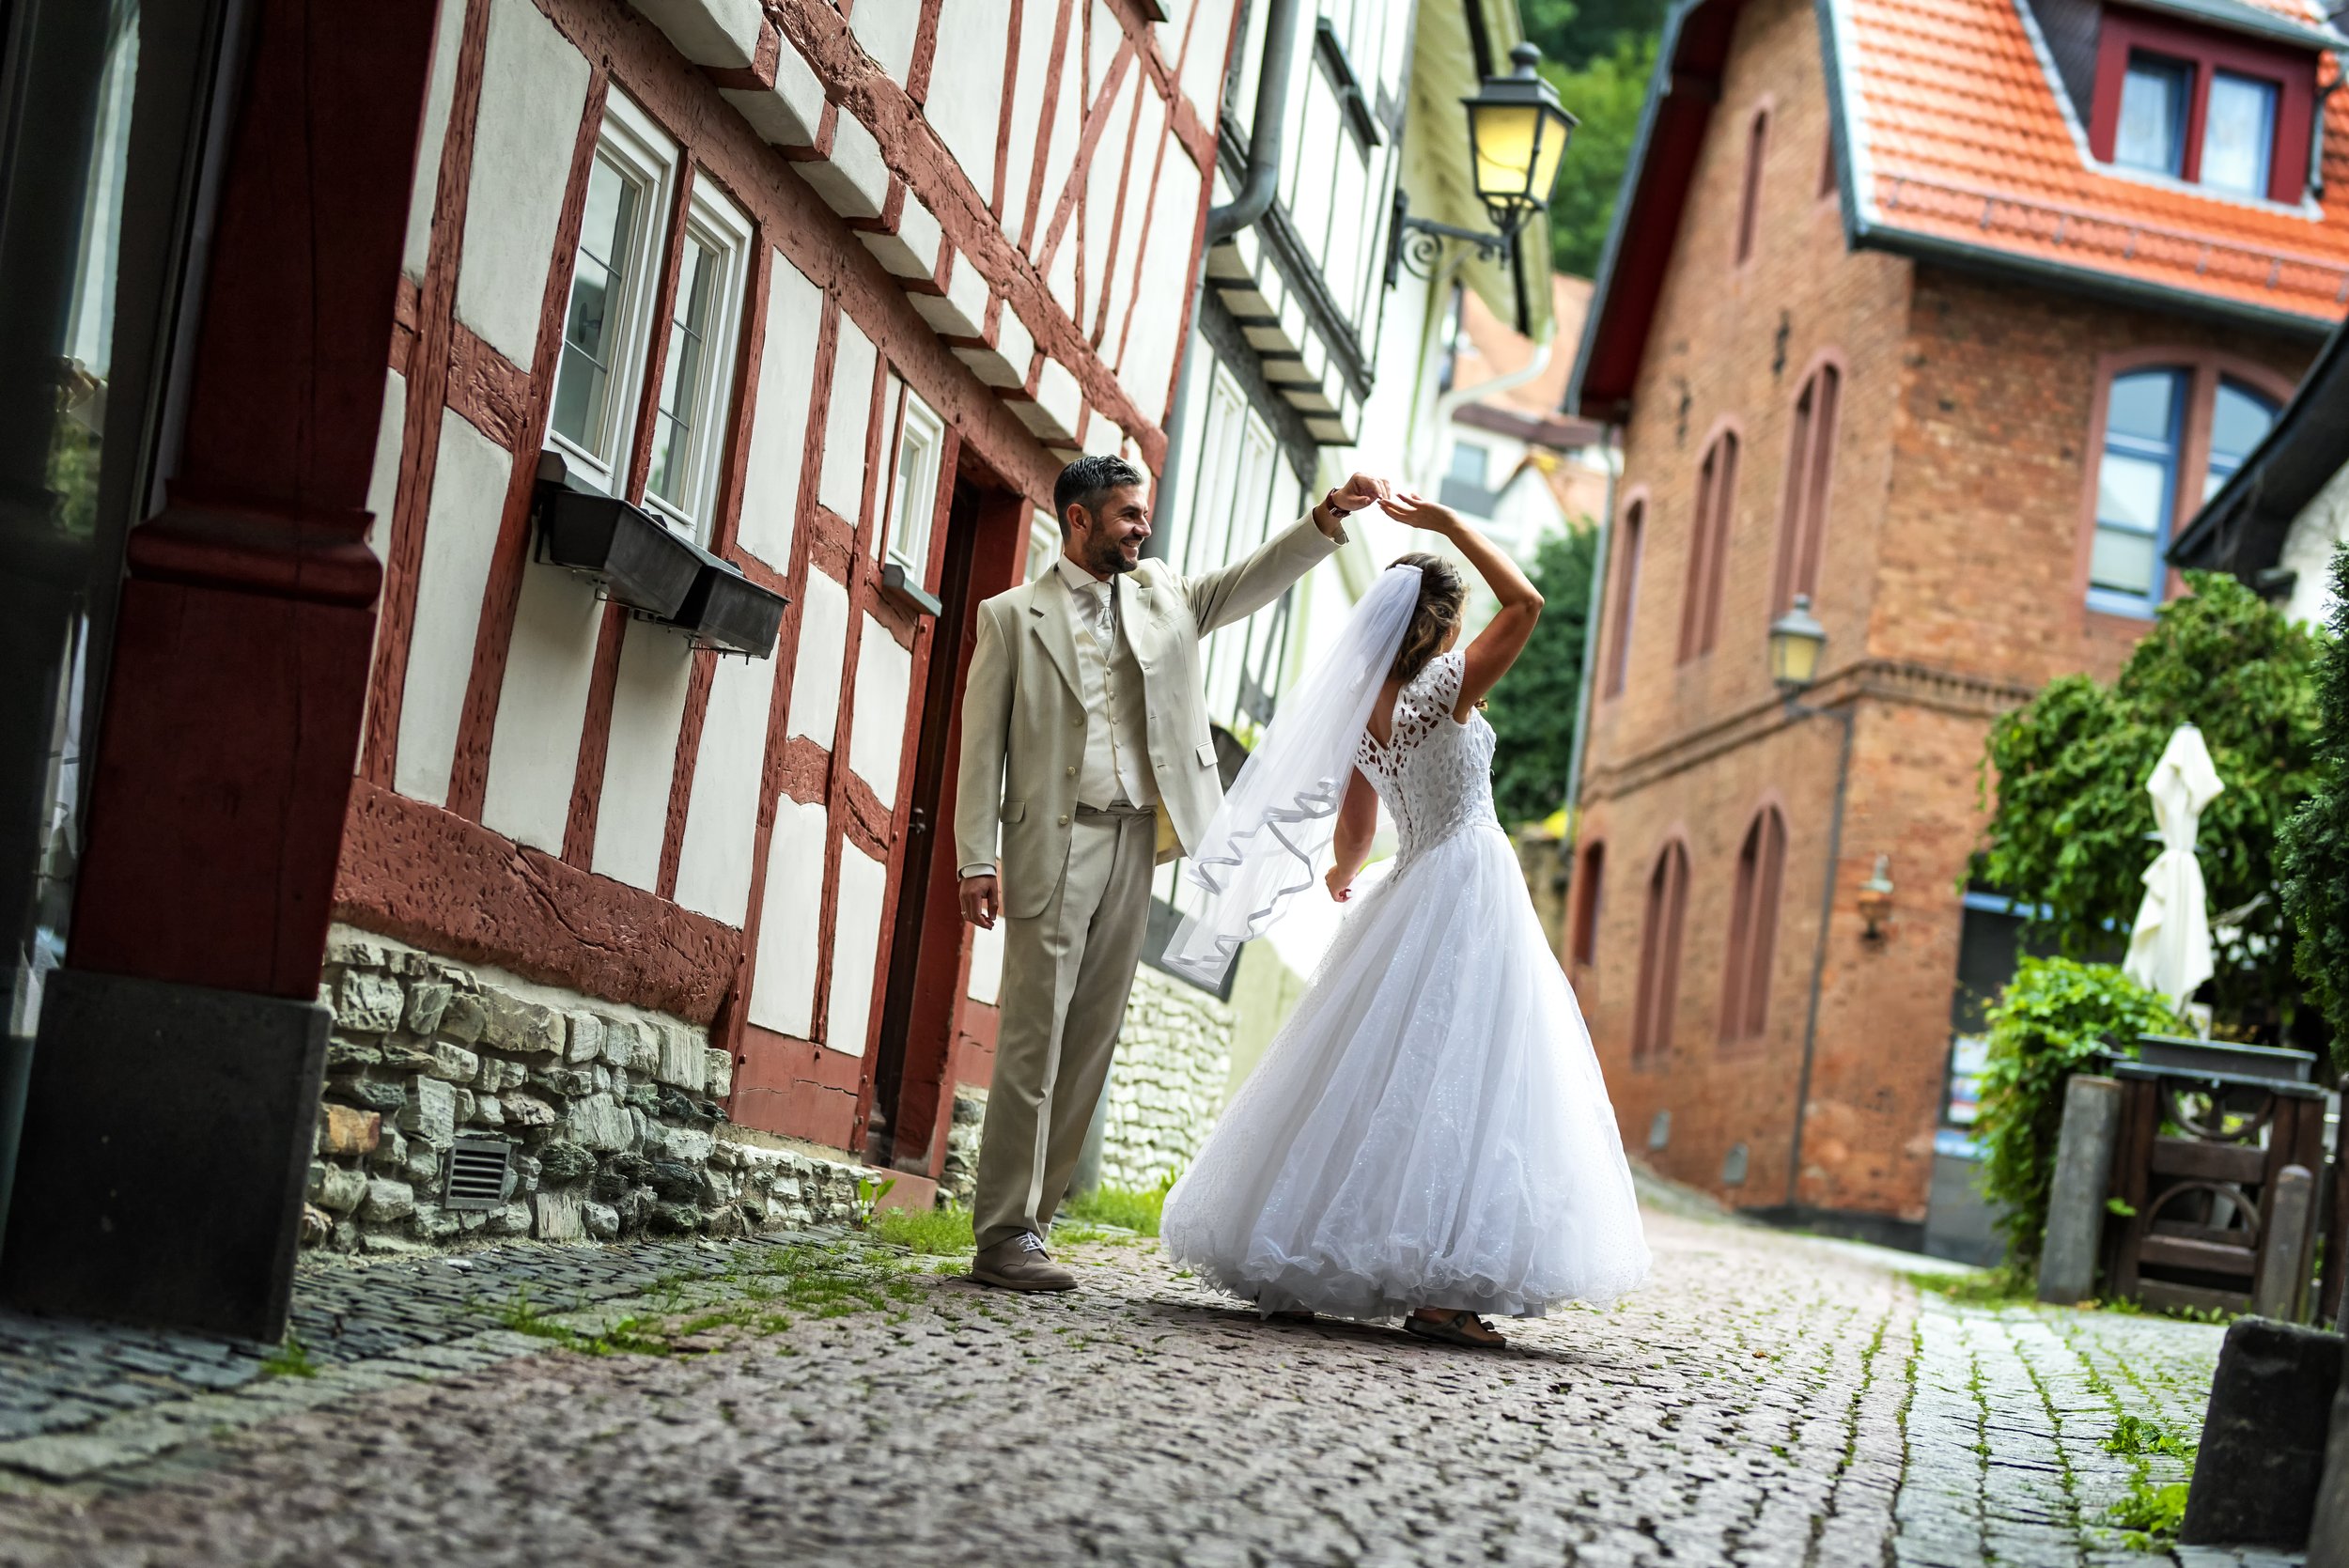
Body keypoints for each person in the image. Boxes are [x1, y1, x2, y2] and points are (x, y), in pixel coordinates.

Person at [1159, 492, 1650, 1346]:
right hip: (1470, 878)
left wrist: (1346, 875)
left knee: (1369, 1073)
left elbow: (1355, 826)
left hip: (1413, 875)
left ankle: (1298, 1255)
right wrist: (1453, 527)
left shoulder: (1365, 711)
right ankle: (1440, 1289)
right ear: (1446, 627)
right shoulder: (1448, 688)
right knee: (1464, 1071)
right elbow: (1529, 603)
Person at [953, 454, 1387, 1292]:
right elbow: (980, 750)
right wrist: (977, 856)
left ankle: (1034, 1227)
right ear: (1079, 521)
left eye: (1141, 514)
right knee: (1032, 1040)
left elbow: (1250, 580)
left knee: (1090, 1044)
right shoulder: (1011, 618)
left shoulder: (1163, 596)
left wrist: (1328, 515)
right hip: (1054, 842)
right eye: (1125, 515)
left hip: (1136, 843)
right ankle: (1001, 1230)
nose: (1140, 527)